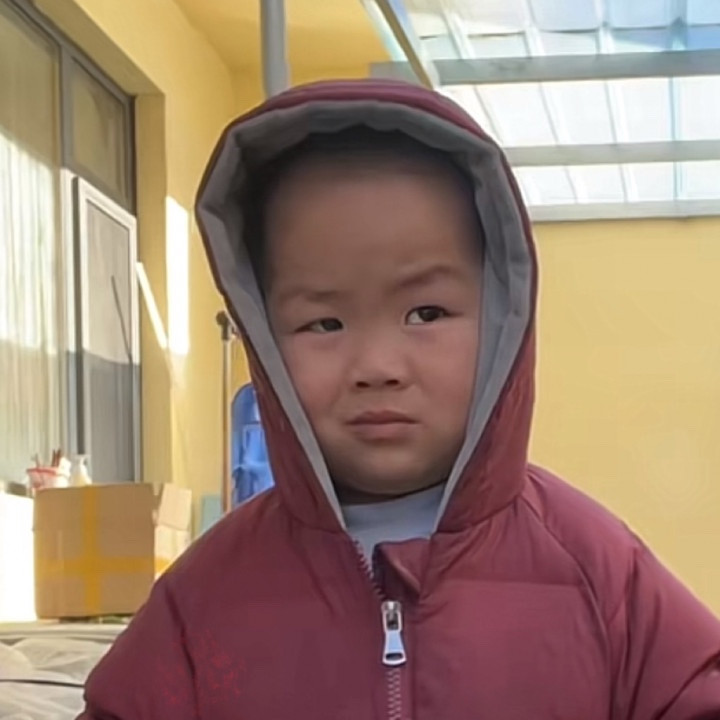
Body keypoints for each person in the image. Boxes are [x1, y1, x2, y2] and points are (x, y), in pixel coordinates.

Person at [79, 79, 720, 720]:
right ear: (264, 336)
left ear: (502, 316)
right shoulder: (204, 596)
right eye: (324, 323)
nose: (378, 366)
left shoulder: (595, 567)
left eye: (426, 313)